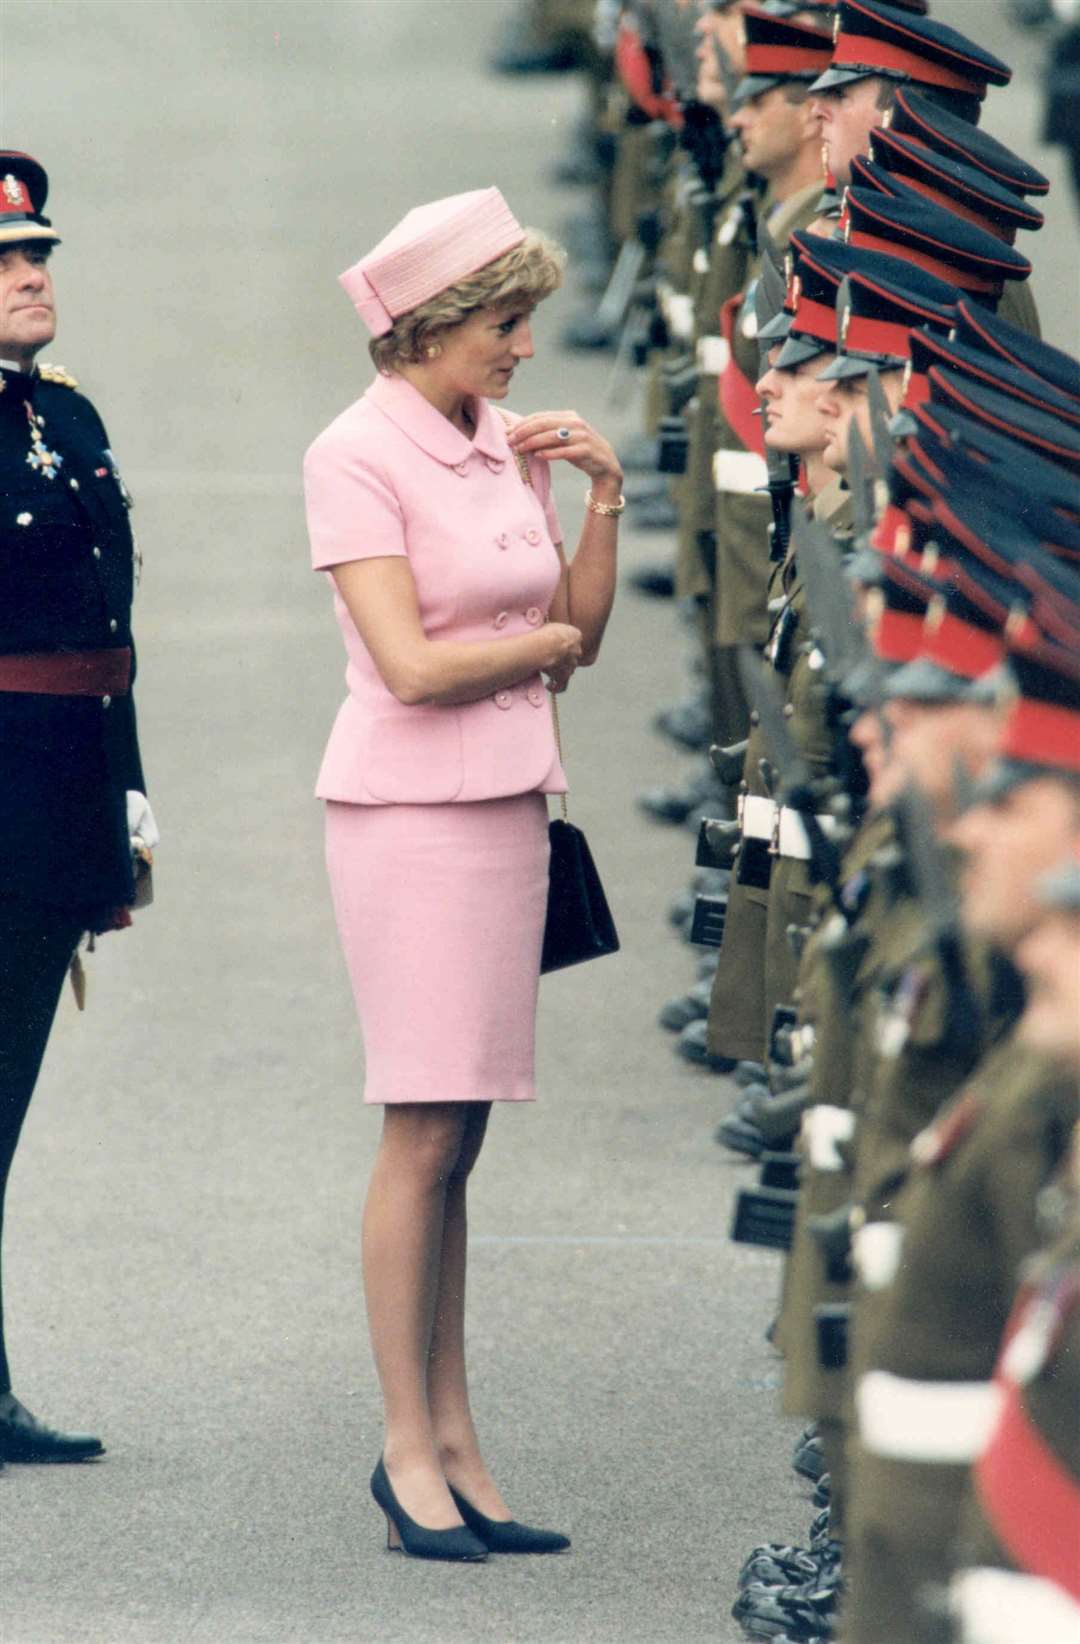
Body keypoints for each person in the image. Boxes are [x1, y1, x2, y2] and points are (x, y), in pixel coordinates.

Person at [303, 187, 622, 1562]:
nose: (522, 348)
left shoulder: (503, 445)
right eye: (504, 323)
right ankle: (402, 1446)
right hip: (408, 820)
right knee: (420, 1134)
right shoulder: (352, 455)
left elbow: (578, 630)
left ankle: (460, 1440)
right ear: (430, 328)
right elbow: (415, 665)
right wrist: (538, 654)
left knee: (465, 1144)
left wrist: (601, 498)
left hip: (505, 811)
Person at [0, 150, 155, 1465]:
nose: (29, 273)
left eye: (36, 253)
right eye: (3, 261)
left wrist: (129, 799)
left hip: (57, 811)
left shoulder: (70, 417)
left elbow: (111, 635)